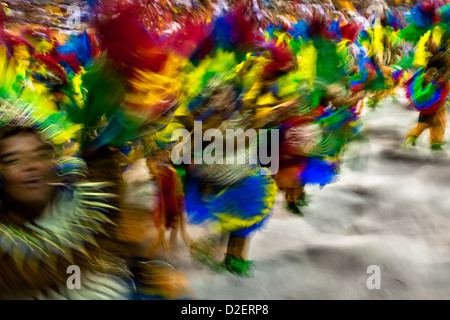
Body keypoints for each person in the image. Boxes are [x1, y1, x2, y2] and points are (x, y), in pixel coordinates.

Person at [403, 52, 450, 151]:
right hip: (429, 111)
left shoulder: (442, 79)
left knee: (438, 126)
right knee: (422, 127)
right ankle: (412, 137)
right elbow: (425, 93)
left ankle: (435, 142)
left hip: (439, 108)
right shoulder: (433, 80)